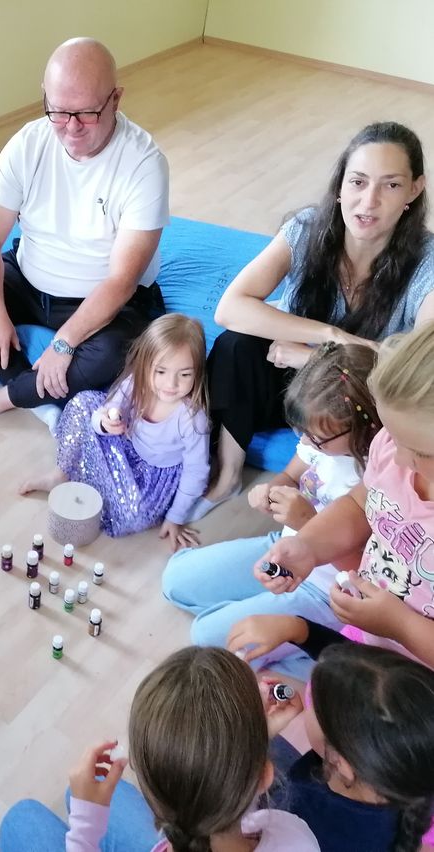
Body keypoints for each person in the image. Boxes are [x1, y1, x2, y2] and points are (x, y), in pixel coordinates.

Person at [0, 37, 169, 432]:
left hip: (103, 298)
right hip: (28, 276)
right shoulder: (27, 144)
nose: (71, 127)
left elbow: (122, 281)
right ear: (45, 97)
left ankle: (3, 398)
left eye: (87, 113)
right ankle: (42, 402)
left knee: (115, 354)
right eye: (58, 111)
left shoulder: (144, 163)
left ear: (116, 99)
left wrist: (64, 344)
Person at [194, 121, 434, 520]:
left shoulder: (426, 262)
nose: (368, 201)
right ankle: (229, 474)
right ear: (340, 185)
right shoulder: (307, 228)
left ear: (414, 190)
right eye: (358, 182)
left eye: (390, 185)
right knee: (236, 345)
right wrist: (330, 335)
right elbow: (230, 307)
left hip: (356, 399)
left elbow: (421, 372)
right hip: (291, 383)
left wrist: (314, 357)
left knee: (404, 407)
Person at [0, 647, 319, 852]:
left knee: (21, 818)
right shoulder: (293, 834)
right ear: (263, 776)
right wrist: (252, 742)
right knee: (92, 802)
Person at [162, 342, 380, 679]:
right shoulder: (318, 438)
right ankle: (284, 633)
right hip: (281, 548)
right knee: (175, 580)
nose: (306, 443)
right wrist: (271, 490)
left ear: (363, 428)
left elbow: (364, 573)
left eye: (317, 439)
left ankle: (328, 654)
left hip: (326, 590)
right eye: (301, 432)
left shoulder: (374, 478)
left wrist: (307, 521)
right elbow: (291, 473)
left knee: (206, 636)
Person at [254, 322, 434, 669]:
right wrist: (308, 545)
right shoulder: (392, 449)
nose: (396, 459)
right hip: (368, 640)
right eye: (392, 437)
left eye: (418, 451)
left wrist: (400, 625)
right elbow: (359, 502)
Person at [227, 622, 434, 852]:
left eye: (312, 702)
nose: (308, 699)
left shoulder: (308, 815)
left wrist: (255, 735)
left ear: (340, 762)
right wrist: (300, 630)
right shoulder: (414, 763)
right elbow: (351, 665)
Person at [20, 313, 209, 548]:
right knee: (83, 404)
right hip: (123, 447)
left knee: (134, 514)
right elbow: (106, 409)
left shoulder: (192, 419)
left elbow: (197, 472)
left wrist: (175, 517)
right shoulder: (135, 383)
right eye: (161, 372)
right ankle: (62, 474)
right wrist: (105, 423)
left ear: (197, 372)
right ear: (145, 364)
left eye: (185, 375)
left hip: (151, 478)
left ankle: (95, 483)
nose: (171, 384)